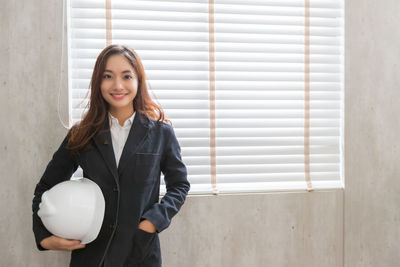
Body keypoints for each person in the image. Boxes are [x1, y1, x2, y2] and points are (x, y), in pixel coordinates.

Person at [32, 44, 190, 267]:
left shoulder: (161, 133)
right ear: (98, 82)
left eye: (127, 76)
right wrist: (45, 237)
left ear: (138, 81)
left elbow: (180, 185)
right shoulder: (82, 134)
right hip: (91, 256)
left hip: (139, 254)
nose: (118, 85)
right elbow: (46, 186)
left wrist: (152, 222)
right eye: (108, 76)